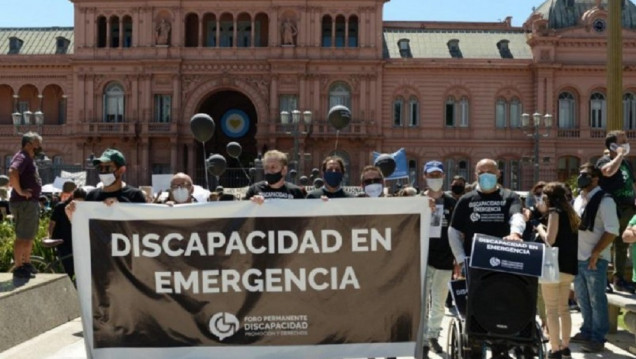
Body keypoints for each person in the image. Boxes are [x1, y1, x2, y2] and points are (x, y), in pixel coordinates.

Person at [448, 158, 525, 359]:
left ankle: (502, 346)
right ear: (475, 175)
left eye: (490, 171)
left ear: (498, 173)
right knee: (478, 306)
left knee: (504, 302)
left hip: (505, 262)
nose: (486, 175)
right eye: (481, 172)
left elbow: (517, 216)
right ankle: (475, 343)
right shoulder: (467, 200)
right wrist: (460, 258)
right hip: (475, 264)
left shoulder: (510, 197)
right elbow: (454, 231)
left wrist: (515, 233)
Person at [570, 162, 619, 353]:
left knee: (596, 298)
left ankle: (598, 337)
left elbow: (612, 230)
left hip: (594, 259)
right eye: (580, 173)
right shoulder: (578, 199)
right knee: (582, 297)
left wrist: (596, 252)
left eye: (586, 174)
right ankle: (587, 330)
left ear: (596, 178)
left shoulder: (605, 200)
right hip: (578, 257)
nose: (581, 177)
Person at [533, 182, 579, 359]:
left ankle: (555, 349)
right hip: (569, 265)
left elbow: (550, 240)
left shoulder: (554, 213)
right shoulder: (571, 213)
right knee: (564, 308)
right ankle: (566, 346)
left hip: (553, 266)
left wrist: (539, 228)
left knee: (551, 310)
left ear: (548, 197)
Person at [421, 161, 456, 356]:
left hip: (444, 259)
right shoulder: (417, 200)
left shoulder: (452, 203)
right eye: (431, 175)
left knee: (439, 303)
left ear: (444, 177)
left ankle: (433, 336)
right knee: (423, 302)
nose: (435, 179)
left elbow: (457, 233)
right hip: (422, 259)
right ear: (424, 176)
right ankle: (423, 340)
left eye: (438, 175)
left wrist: (457, 259)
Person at [595, 130, 636, 293]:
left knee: (621, 245)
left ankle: (619, 279)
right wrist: (618, 155)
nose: (626, 143)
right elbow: (608, 172)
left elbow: (632, 183)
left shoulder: (627, 164)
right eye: (622, 141)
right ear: (612, 145)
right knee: (606, 243)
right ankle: (602, 278)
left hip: (627, 208)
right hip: (612, 207)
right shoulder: (604, 160)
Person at [65, 148, 147, 221]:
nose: (103, 171)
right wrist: (72, 217)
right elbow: (86, 228)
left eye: (108, 168)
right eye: (100, 168)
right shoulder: (92, 196)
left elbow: (144, 226)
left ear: (121, 170)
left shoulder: (135, 195)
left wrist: (121, 208)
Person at [9, 132, 44, 279]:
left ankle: (26, 263)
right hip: (24, 203)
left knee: (28, 236)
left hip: (30, 203)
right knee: (22, 236)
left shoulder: (29, 159)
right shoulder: (22, 156)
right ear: (29, 144)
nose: (40, 147)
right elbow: (13, 171)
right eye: (38, 144)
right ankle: (18, 266)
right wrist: (20, 191)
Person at [48, 187, 87, 280]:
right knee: (69, 266)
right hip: (62, 240)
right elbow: (52, 223)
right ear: (72, 198)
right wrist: (49, 236)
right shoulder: (60, 206)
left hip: (74, 239)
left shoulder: (82, 208)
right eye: (77, 201)